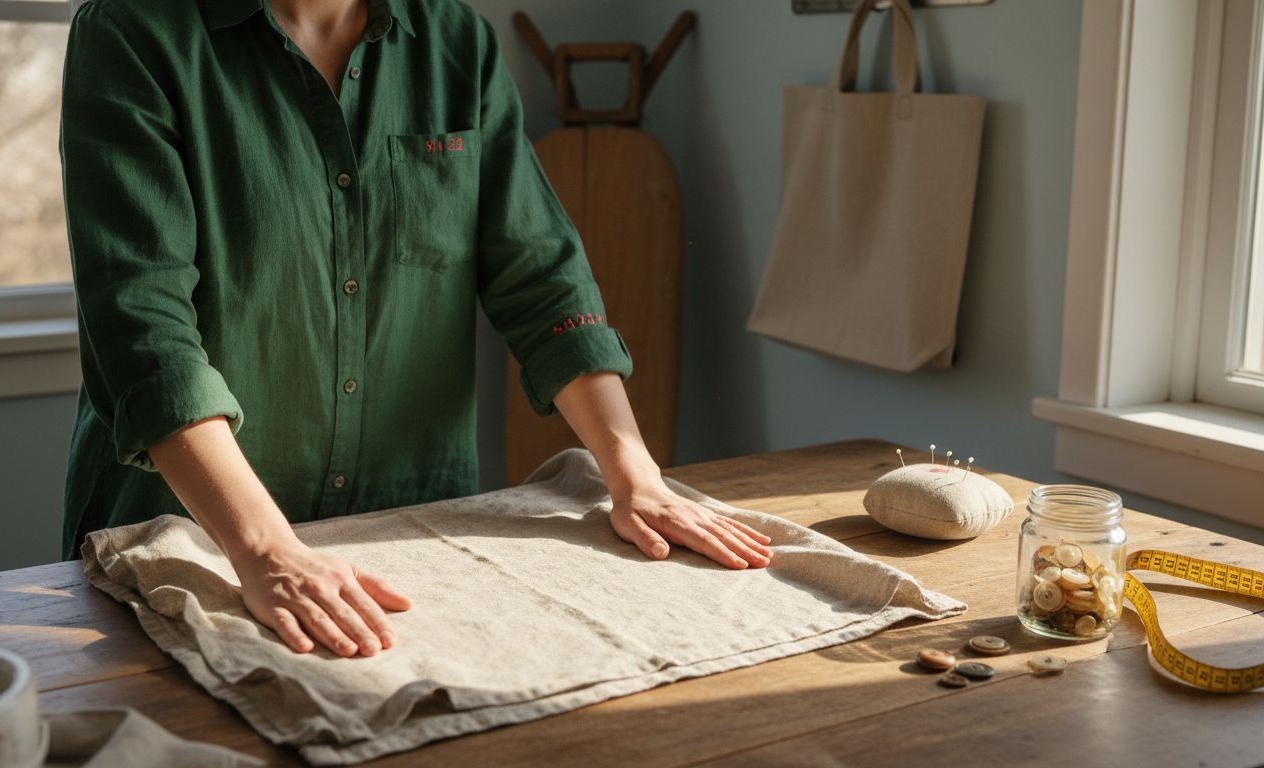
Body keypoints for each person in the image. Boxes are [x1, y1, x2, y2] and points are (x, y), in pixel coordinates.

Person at [60, 0, 772, 659]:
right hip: (193, 544)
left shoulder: (455, 42)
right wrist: (265, 549)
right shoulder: (131, 34)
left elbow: (542, 277)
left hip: (411, 537)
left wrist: (635, 476)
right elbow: (147, 333)